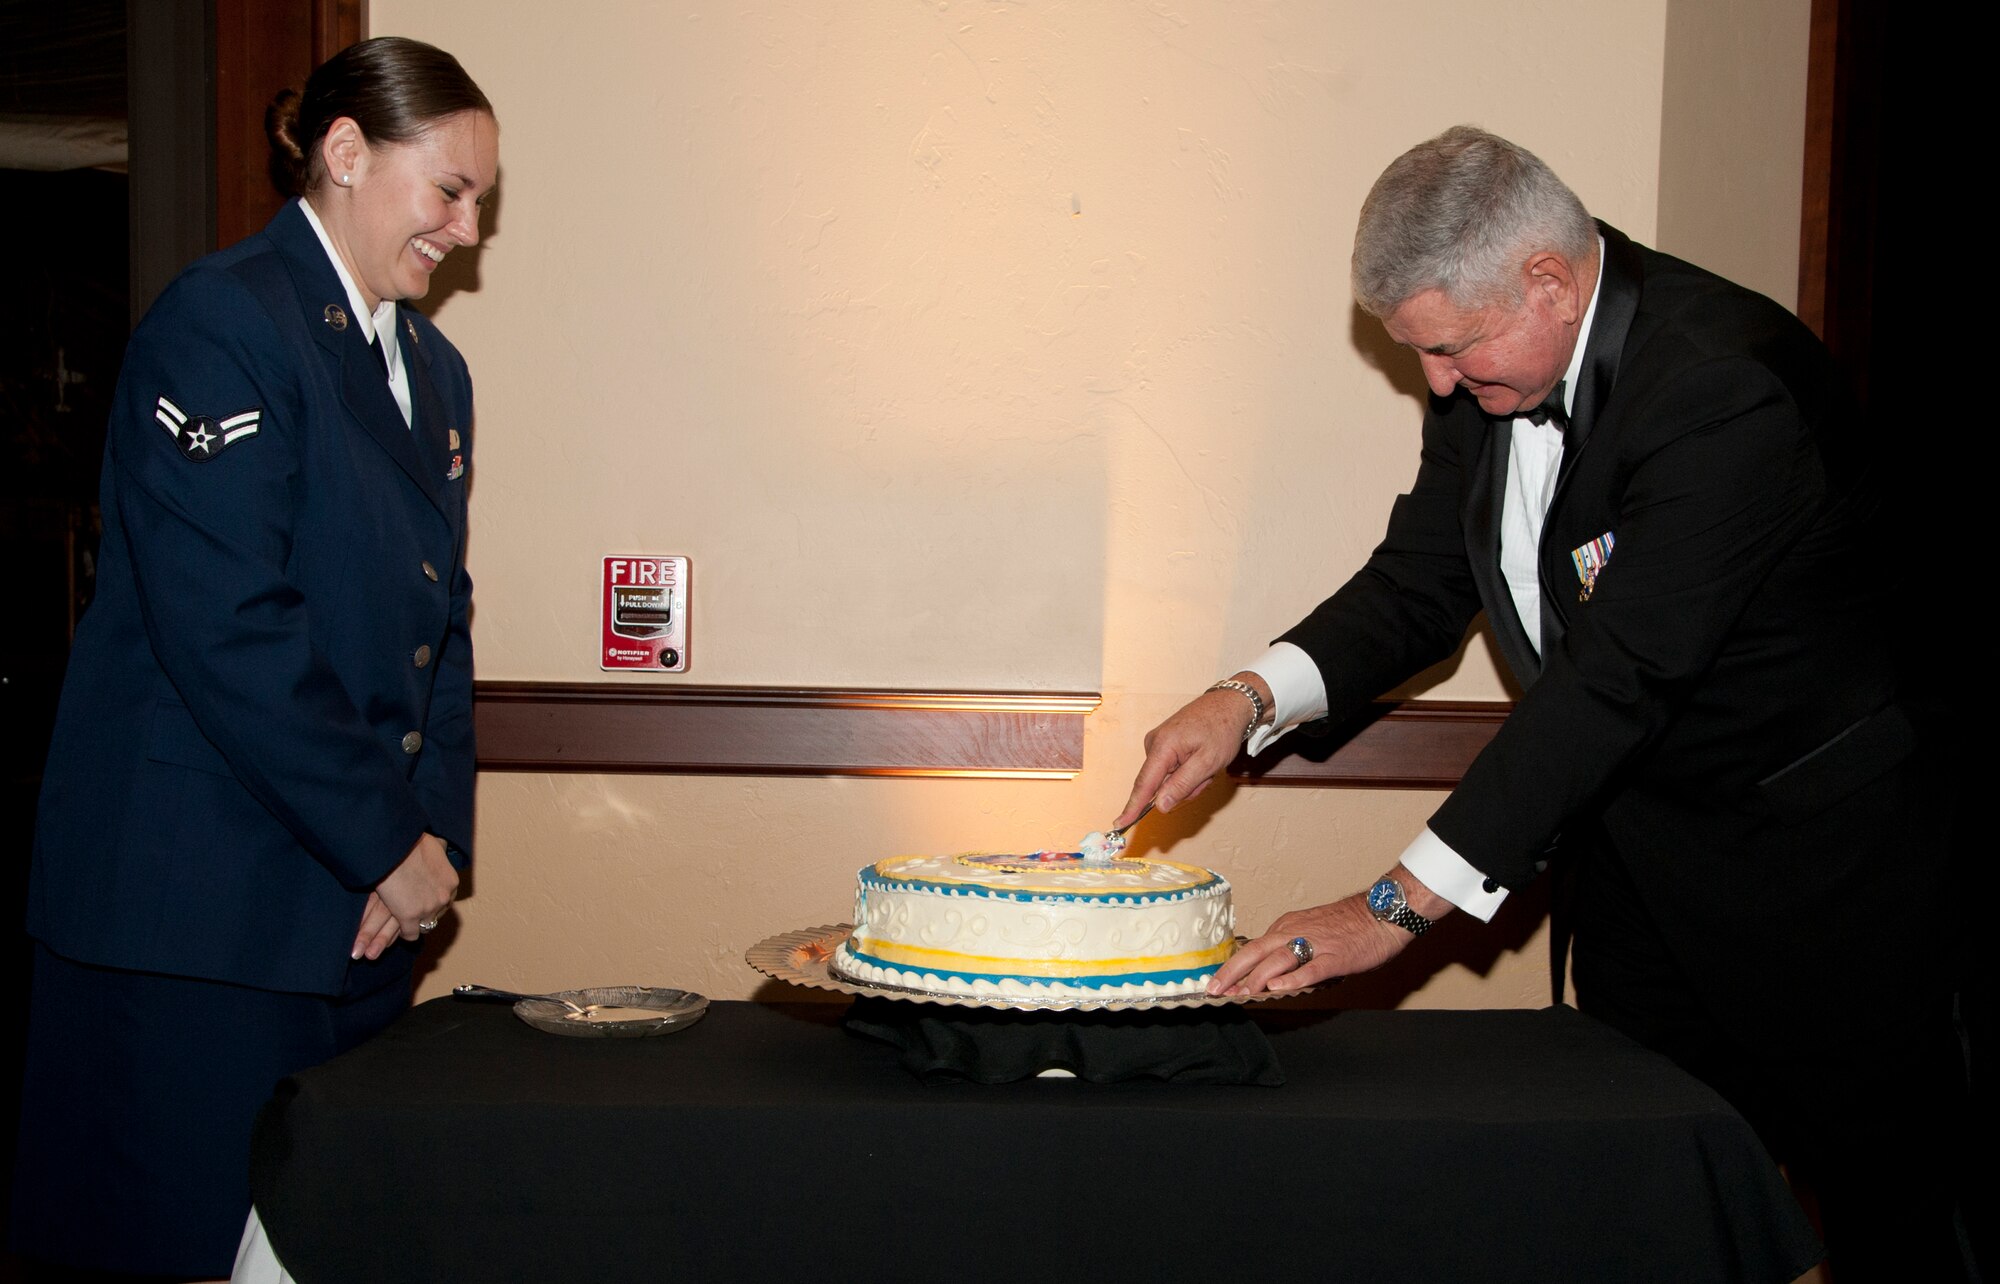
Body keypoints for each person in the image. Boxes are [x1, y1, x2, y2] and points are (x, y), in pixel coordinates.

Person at [1116, 126, 1972, 1280]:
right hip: (1632, 877)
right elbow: (1418, 580)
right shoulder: (1486, 372)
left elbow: (1617, 680)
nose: (1434, 385)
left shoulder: (1722, 386)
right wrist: (1248, 696)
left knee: (1892, 1222)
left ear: (1546, 281)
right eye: (1417, 355)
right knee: (1648, 1208)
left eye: (1451, 350)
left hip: (1821, 888)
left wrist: (1391, 906)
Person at [12, 36, 496, 1278]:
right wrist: (386, 847)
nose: (467, 227)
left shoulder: (434, 375)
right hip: (196, 922)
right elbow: (231, 627)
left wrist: (430, 848)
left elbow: (442, 625)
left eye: (482, 200)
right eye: (448, 188)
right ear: (345, 153)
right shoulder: (224, 322)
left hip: (352, 916)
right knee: (178, 1247)